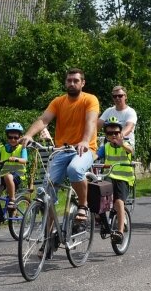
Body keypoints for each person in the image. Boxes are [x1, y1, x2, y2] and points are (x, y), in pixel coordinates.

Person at [19, 68, 99, 233]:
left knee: (75, 169)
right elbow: (44, 119)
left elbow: (91, 122)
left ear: (82, 83)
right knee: (46, 192)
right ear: (65, 82)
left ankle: (83, 206)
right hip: (62, 150)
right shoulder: (58, 101)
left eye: (76, 80)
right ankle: (48, 238)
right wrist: (28, 135)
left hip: (85, 149)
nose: (72, 83)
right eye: (69, 80)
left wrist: (84, 140)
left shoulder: (90, 100)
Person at [94, 117, 134, 242]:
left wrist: (122, 144)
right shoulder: (105, 147)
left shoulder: (125, 144)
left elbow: (131, 151)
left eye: (116, 133)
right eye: (110, 133)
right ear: (106, 135)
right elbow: (96, 156)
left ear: (121, 133)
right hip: (109, 177)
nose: (113, 135)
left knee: (118, 202)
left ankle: (120, 232)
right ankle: (101, 219)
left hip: (124, 178)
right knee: (97, 195)